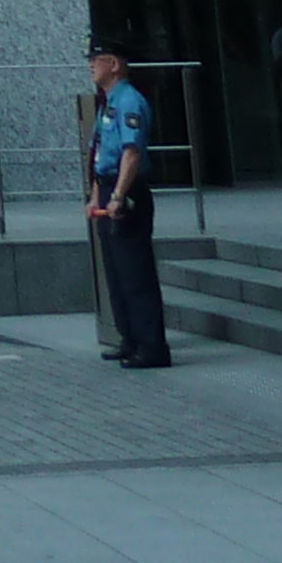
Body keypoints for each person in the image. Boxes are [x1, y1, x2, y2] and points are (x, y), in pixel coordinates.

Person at [86, 46, 173, 368]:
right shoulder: (107, 102)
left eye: (96, 61)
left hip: (127, 190)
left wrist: (119, 196)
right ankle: (129, 339)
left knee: (135, 273)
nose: (91, 66)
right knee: (116, 272)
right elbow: (100, 153)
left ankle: (152, 347)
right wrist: (97, 195)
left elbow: (131, 153)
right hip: (108, 187)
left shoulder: (128, 101)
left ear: (115, 64)